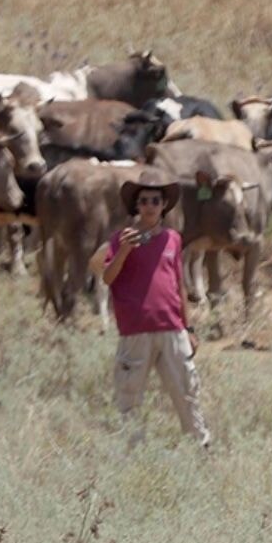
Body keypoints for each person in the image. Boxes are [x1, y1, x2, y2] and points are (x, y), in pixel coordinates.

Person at [101, 170, 212, 450]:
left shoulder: (172, 239)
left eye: (155, 201)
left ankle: (200, 449)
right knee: (129, 397)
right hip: (135, 331)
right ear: (136, 206)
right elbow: (108, 277)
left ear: (164, 206)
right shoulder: (120, 239)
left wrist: (188, 328)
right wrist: (124, 250)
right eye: (144, 201)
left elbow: (179, 284)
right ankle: (132, 454)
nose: (149, 206)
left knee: (186, 392)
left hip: (172, 329)